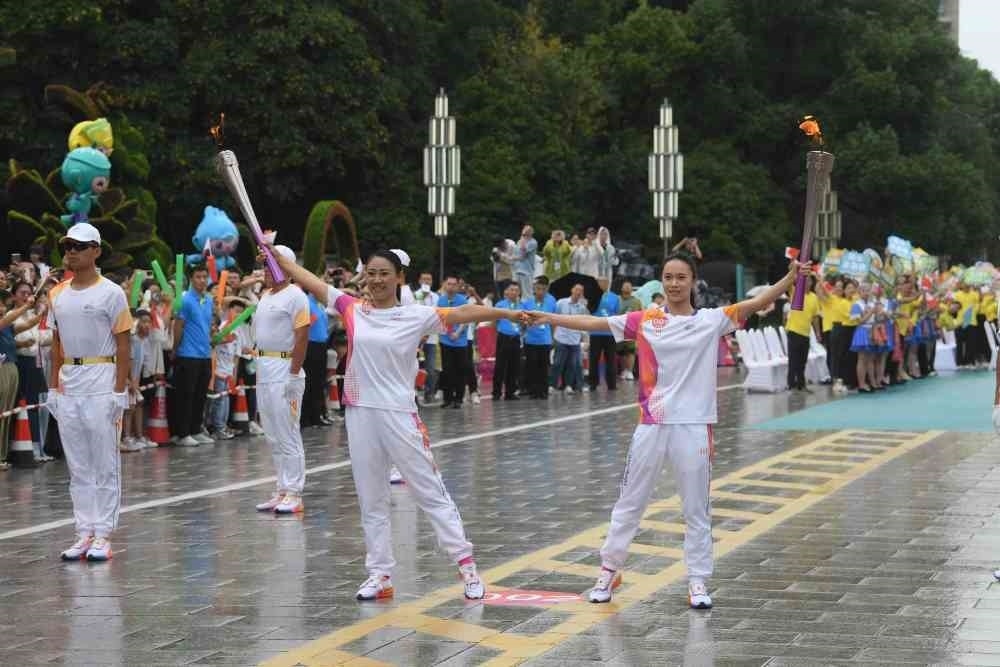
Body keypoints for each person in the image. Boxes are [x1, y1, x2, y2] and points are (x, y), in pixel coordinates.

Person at [526, 252, 807, 609]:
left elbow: (755, 303)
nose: (674, 284)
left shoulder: (711, 321)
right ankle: (609, 570)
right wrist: (549, 317)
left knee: (696, 507)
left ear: (693, 282)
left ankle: (698, 580)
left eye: (681, 277)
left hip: (693, 425)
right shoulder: (647, 319)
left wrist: (790, 278)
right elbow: (596, 323)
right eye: (669, 277)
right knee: (630, 501)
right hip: (652, 424)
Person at [271, 245, 525, 601]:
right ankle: (380, 574)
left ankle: (466, 566)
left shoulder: (415, 315)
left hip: (399, 415)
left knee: (429, 491)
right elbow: (312, 281)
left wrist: (507, 312)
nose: (376, 280)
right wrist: (278, 259)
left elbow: (464, 312)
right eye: (371, 274)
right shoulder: (352, 309)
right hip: (360, 412)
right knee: (370, 497)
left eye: (384, 274)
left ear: (399, 278)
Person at [46, 223, 132, 561]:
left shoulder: (111, 293)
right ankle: (83, 531)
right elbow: (56, 344)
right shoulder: (57, 294)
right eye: (67, 246)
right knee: (78, 464)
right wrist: (53, 387)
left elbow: (124, 346)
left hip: (101, 377)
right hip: (70, 380)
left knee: (104, 462)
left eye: (79, 246)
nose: (71, 252)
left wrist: (119, 391)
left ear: (96, 250)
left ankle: (103, 534)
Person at [252, 246, 311, 515]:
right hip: (264, 367)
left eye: (271, 265)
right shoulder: (265, 295)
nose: (266, 270)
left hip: (285, 367)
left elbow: (302, 337)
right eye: (264, 266)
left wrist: (294, 374)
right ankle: (282, 488)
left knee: (288, 433)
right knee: (273, 435)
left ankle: (294, 492)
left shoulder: (296, 296)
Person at [170, 266, 215, 446]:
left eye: (205, 277)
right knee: (185, 395)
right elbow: (178, 325)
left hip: (205, 354)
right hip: (188, 354)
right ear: (191, 279)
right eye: (198, 277)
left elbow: (207, 325)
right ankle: (183, 433)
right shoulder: (185, 299)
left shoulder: (208, 300)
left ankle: (196, 429)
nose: (202, 280)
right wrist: (175, 348)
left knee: (200, 395)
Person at [785, 273, 821, 392]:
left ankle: (801, 384)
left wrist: (817, 332)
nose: (807, 283)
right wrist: (793, 270)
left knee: (803, 361)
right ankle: (791, 385)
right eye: (804, 280)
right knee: (793, 360)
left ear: (812, 283)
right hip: (793, 331)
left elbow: (815, 317)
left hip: (806, 333)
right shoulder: (795, 292)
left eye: (809, 281)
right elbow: (788, 282)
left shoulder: (814, 297)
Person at [438, 276, 469, 408]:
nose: (451, 287)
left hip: (460, 341)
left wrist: (458, 332)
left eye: (454, 284)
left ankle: (458, 399)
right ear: (445, 285)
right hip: (445, 340)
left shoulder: (462, 300)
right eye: (449, 284)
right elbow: (439, 318)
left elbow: (466, 319)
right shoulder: (441, 300)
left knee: (460, 369)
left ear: (457, 286)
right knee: (447, 370)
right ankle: (447, 398)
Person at [550, 284, 588, 393]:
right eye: (576, 289)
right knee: (557, 363)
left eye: (581, 291)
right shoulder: (561, 303)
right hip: (561, 338)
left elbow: (583, 324)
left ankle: (568, 385)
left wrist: (585, 339)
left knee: (572, 364)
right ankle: (552, 385)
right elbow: (553, 318)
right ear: (572, 290)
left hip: (574, 339)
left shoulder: (582, 308)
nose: (578, 292)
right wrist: (553, 335)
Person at [522, 279, 556, 399]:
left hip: (545, 340)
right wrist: (526, 326)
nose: (540, 291)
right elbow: (523, 321)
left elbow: (553, 321)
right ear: (534, 289)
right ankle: (533, 391)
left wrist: (553, 337)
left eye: (543, 289)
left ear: (546, 290)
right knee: (532, 366)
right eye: (538, 288)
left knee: (544, 366)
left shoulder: (551, 302)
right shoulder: (527, 303)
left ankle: (543, 391)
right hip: (531, 340)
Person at [301, 291, 331, 428]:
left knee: (319, 382)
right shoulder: (306, 303)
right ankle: (305, 418)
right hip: (310, 345)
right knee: (309, 381)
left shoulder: (320, 304)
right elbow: (304, 325)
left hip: (321, 345)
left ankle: (316, 416)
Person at [588, 277, 620, 391]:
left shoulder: (615, 297)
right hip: (595, 332)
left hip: (610, 333)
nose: (602, 284)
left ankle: (611, 384)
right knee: (594, 359)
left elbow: (617, 314)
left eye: (604, 282)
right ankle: (593, 383)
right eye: (600, 282)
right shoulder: (592, 296)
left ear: (608, 283)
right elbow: (589, 311)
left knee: (611, 359)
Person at [492, 283, 523, 400]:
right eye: (512, 290)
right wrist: (499, 332)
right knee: (500, 366)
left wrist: (521, 332)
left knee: (514, 366)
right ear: (507, 292)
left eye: (516, 290)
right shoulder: (500, 305)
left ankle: (510, 392)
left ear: (519, 293)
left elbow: (524, 323)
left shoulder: (522, 306)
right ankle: (496, 392)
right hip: (503, 337)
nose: (514, 292)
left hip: (516, 338)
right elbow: (494, 322)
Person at [413, 272, 439, 403]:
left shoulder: (436, 297)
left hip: (431, 337)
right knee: (413, 366)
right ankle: (414, 394)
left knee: (431, 367)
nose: (426, 282)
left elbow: (438, 315)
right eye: (424, 279)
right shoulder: (414, 295)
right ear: (419, 281)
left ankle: (429, 393)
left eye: (429, 279)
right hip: (416, 337)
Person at [616, 281, 642, 381]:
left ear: (632, 289)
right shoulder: (617, 299)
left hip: (631, 329)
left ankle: (630, 371)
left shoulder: (636, 301)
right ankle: (623, 370)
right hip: (619, 328)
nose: (627, 288)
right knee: (621, 352)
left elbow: (641, 314)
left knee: (630, 351)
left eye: (629, 286)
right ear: (621, 288)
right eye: (625, 286)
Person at [513, 225, 538, 299]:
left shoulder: (533, 242)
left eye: (527, 231)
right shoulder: (519, 241)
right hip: (517, 270)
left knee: (527, 294)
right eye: (524, 230)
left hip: (526, 271)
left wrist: (522, 239)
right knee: (516, 293)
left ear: (531, 233)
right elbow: (517, 254)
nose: (525, 233)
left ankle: (529, 306)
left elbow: (523, 253)